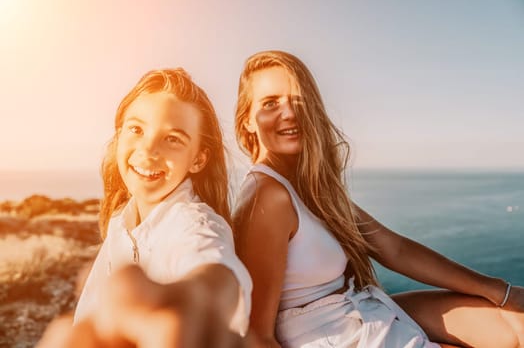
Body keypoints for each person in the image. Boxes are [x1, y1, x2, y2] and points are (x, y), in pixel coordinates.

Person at [232, 50, 524, 348]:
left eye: (299, 101)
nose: (290, 113)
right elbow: (256, 334)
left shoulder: (308, 188)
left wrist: (499, 291)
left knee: (516, 322)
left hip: (362, 314)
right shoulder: (267, 196)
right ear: (247, 121)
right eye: (270, 103)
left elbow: (394, 249)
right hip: (337, 336)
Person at [38, 68, 253, 347]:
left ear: (198, 160)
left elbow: (217, 270)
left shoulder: (195, 223)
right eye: (136, 129)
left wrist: (199, 298)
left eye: (173, 139)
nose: (149, 150)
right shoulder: (120, 221)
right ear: (119, 137)